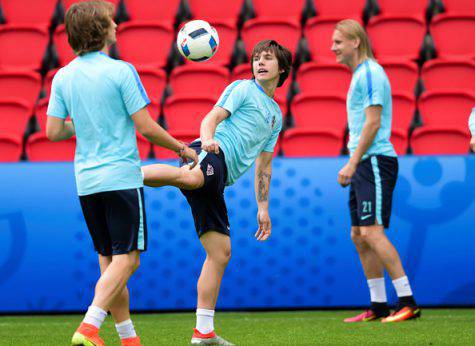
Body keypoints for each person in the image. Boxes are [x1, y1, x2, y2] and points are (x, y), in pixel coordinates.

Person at [46, 2, 198, 345]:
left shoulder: (63, 76)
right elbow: (145, 127)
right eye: (111, 20)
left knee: (109, 263)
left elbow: (53, 131)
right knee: (128, 260)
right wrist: (182, 148)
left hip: (86, 182)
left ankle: (128, 338)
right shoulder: (121, 71)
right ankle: (89, 326)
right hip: (121, 178)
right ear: (100, 30)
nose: (117, 24)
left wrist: (84, 123)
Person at [142, 39, 292, 344]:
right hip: (212, 153)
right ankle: (129, 176)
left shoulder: (275, 115)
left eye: (267, 59)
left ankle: (204, 333)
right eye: (256, 59)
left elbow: (264, 165)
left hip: (219, 177)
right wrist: (208, 140)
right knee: (194, 179)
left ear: (283, 69)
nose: (260, 63)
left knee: (220, 253)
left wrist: (262, 207)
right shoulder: (242, 88)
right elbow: (211, 118)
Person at [331, 19, 421, 323]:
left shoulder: (370, 73)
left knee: (372, 231)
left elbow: (372, 122)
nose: (333, 48)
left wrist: (353, 161)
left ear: (356, 42)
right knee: (359, 234)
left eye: (338, 42)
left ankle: (407, 302)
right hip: (364, 164)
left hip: (374, 162)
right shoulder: (360, 75)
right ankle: (379, 305)